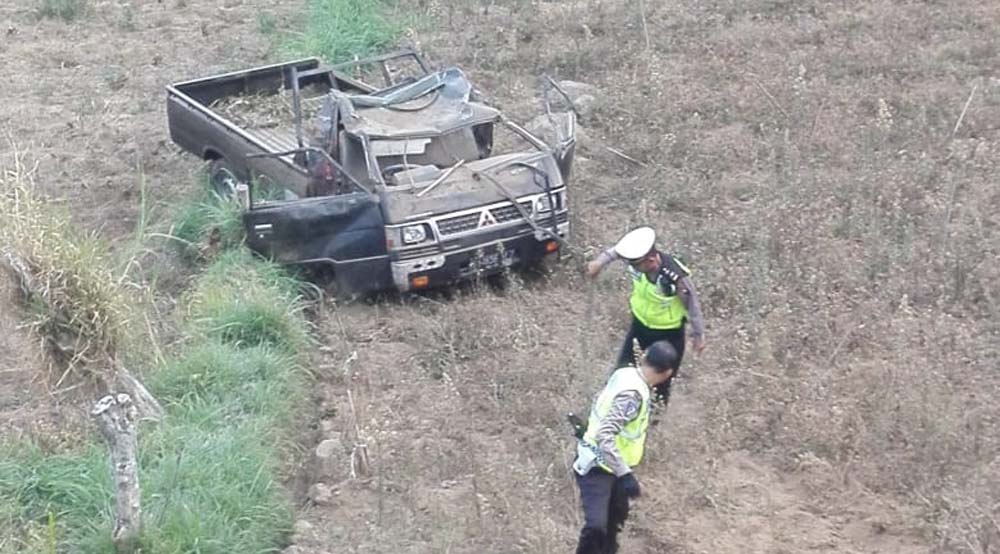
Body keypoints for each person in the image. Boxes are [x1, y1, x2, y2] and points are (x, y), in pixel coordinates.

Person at [572, 341, 678, 554]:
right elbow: (605, 434)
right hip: (599, 467)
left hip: (611, 467)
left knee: (614, 522)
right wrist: (626, 474)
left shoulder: (625, 373)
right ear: (667, 373)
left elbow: (601, 403)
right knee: (596, 529)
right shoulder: (633, 395)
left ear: (644, 356)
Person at [585, 226, 705, 406]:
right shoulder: (638, 260)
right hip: (640, 327)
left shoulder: (674, 277)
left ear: (650, 260)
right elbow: (616, 252)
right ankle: (611, 408)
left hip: (668, 335)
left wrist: (699, 335)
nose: (630, 267)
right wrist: (598, 263)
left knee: (661, 383)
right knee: (622, 371)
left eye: (634, 264)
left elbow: (692, 303)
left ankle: (653, 420)